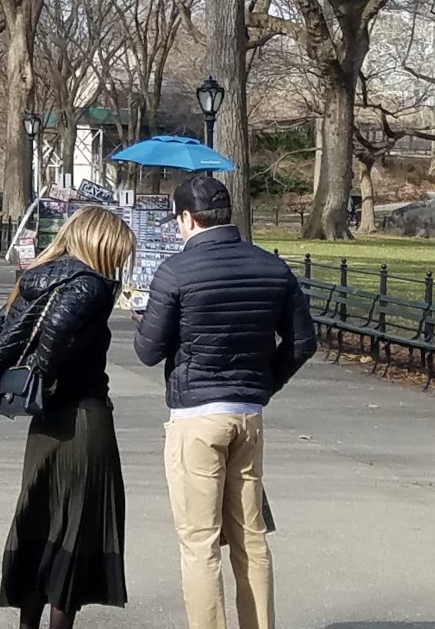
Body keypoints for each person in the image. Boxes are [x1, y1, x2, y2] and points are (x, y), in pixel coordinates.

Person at [135, 175, 316, 629]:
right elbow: (303, 342)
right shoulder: (272, 267)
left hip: (195, 416)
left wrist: (143, 315)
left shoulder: (176, 272)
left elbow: (148, 350)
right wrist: (261, 386)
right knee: (250, 537)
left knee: (199, 542)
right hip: (246, 414)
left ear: (185, 218)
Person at [0, 206, 136, 629]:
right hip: (83, 419)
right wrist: (48, 369)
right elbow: (55, 334)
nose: (122, 262)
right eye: (120, 252)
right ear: (101, 245)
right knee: (76, 528)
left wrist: (36, 373)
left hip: (47, 421)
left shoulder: (42, 277)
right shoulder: (90, 285)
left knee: (40, 521)